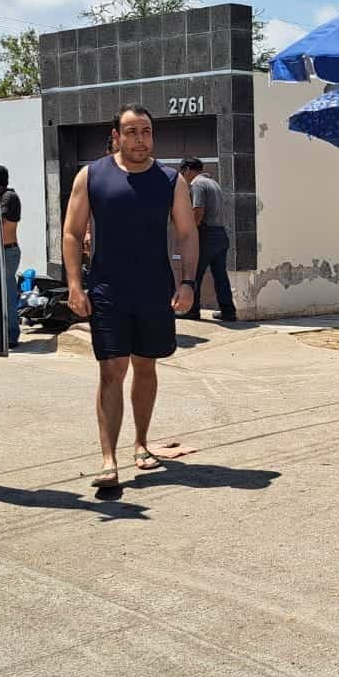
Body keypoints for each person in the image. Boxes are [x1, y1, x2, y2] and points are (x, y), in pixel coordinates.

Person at [63, 105, 199, 493]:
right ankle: (108, 460)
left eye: (146, 131)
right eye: (131, 131)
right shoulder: (92, 176)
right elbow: (72, 233)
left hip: (154, 290)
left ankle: (141, 443)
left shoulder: (170, 180)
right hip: (107, 290)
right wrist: (75, 284)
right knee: (111, 369)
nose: (140, 139)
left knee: (145, 365)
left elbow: (187, 233)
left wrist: (188, 282)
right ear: (116, 136)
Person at [178, 157, 238, 323]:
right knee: (220, 276)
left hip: (206, 235)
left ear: (187, 170)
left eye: (182, 173)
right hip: (220, 235)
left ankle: (192, 310)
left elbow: (198, 211)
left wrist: (189, 233)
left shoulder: (198, 184)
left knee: (194, 273)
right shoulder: (213, 183)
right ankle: (228, 312)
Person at [0, 164, 23, 349]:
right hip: (1, 251)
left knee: (8, 296)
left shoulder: (8, 197)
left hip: (7, 251)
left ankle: (12, 334)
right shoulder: (1, 196)